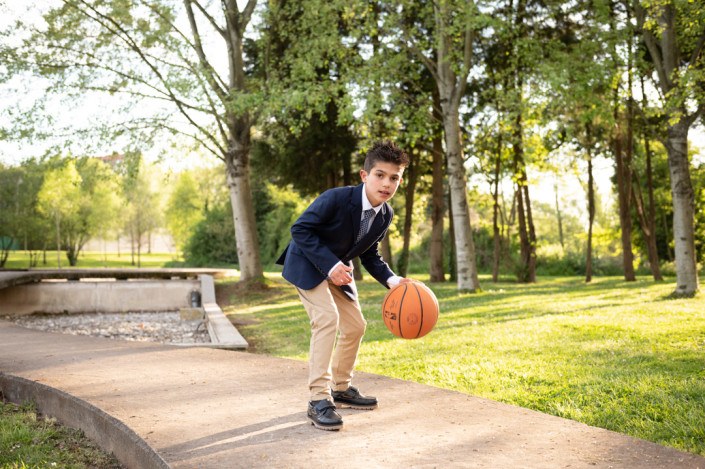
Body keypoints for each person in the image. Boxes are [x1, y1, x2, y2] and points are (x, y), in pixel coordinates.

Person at [276, 141, 413, 431]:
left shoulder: (385, 214)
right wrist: (331, 264)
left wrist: (393, 281)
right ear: (365, 176)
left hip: (337, 271)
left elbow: (370, 253)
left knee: (356, 326)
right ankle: (318, 398)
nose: (386, 183)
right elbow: (300, 229)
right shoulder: (336, 198)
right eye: (380, 174)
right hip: (307, 264)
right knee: (327, 319)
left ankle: (341, 388)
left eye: (394, 177)